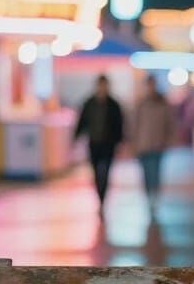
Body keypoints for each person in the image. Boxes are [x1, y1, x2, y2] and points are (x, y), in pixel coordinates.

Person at [75, 74, 123, 214]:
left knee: (106, 172)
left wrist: (120, 142)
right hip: (94, 144)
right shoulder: (89, 103)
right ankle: (99, 196)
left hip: (109, 144)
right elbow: (83, 121)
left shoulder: (114, 105)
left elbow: (119, 125)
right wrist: (77, 137)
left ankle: (103, 198)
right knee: (96, 173)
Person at [133, 76, 176, 208]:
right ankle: (149, 197)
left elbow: (170, 124)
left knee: (156, 173)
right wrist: (133, 143)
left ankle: (155, 197)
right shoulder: (141, 104)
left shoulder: (162, 104)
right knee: (146, 174)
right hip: (143, 145)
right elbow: (134, 125)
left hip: (158, 145)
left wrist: (168, 141)